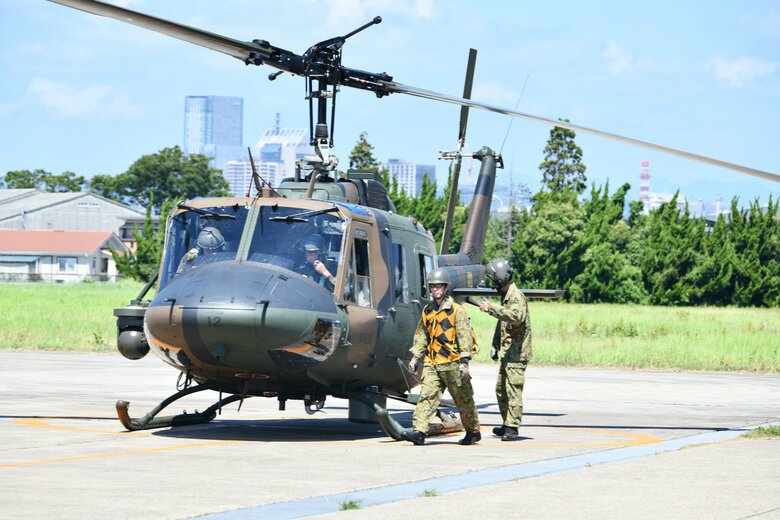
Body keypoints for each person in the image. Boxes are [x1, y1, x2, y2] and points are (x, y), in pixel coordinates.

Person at [402, 268, 481, 446]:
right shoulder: (428, 311)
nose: (435, 290)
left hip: (453, 363)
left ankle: (473, 431)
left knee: (463, 399)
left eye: (438, 286)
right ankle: (419, 432)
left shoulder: (456, 311)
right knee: (426, 397)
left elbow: (464, 335)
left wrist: (465, 362)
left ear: (445, 288)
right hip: (433, 363)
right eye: (433, 287)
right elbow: (422, 335)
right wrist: (415, 358)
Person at [479, 258, 532, 442]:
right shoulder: (506, 296)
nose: (492, 284)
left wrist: (491, 308)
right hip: (508, 353)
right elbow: (502, 324)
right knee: (501, 390)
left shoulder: (516, 297)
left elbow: (515, 317)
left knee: (513, 390)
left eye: (493, 279)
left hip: (517, 354)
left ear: (500, 278)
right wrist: (495, 344)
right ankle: (506, 422)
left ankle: (513, 427)